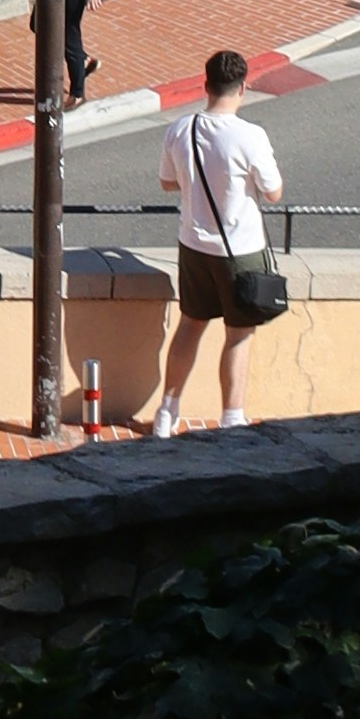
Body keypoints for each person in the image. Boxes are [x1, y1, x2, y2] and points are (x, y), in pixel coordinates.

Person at [152, 44, 285, 435]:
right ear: (243, 88)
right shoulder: (250, 136)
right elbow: (273, 191)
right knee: (239, 335)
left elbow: (166, 182)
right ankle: (231, 417)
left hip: (193, 244)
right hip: (240, 250)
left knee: (190, 325)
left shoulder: (180, 128)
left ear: (205, 84)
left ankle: (166, 412)